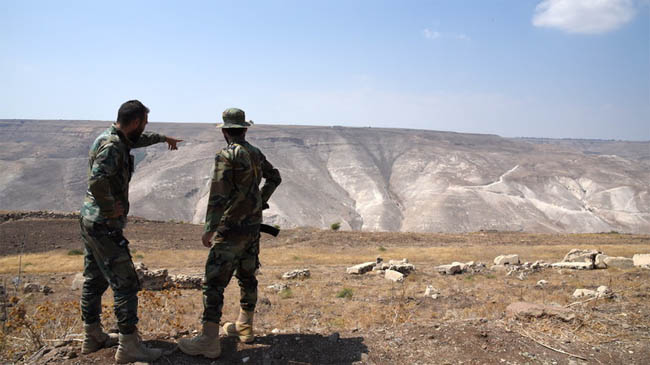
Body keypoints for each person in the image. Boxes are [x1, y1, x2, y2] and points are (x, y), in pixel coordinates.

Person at [79, 100, 183, 363]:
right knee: (126, 283)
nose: (146, 127)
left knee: (95, 278)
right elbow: (97, 178)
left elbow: (139, 140)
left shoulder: (111, 137)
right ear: (135, 122)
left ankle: (92, 336)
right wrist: (109, 206)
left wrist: (162, 138)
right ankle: (128, 346)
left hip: (90, 220)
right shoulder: (114, 146)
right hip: (104, 224)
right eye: (144, 123)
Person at [178, 108, 281, 359]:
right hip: (252, 228)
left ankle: (209, 340)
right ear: (244, 129)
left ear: (225, 131)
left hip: (230, 229)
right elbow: (274, 177)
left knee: (213, 282)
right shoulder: (255, 153)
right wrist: (259, 200)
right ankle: (245, 326)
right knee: (247, 276)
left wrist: (209, 229)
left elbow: (218, 194)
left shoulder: (226, 155)